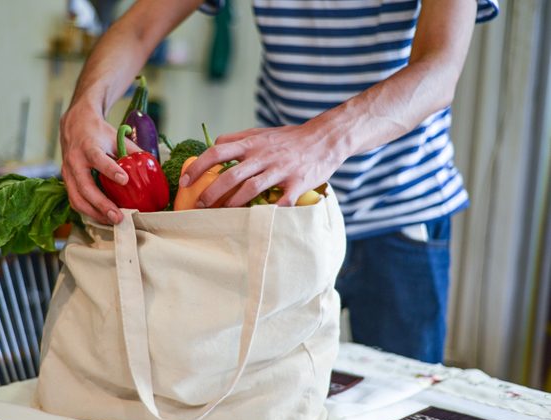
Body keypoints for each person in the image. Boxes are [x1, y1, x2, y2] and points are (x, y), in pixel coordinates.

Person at [59, 0, 499, 363]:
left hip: (401, 212)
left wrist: (320, 142)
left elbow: (440, 67)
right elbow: (138, 29)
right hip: (279, 215)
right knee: (260, 404)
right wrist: (85, 106)